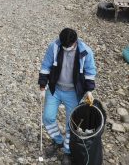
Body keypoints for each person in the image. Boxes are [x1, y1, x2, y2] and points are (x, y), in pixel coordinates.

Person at [38, 28, 96, 163]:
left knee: (72, 124)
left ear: (75, 41)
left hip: (73, 92)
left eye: (68, 46)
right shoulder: (54, 47)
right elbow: (45, 66)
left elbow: (90, 72)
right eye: (64, 46)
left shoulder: (85, 51)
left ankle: (67, 151)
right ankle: (58, 140)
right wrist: (42, 86)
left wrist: (89, 91)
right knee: (47, 117)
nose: (66, 48)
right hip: (55, 89)